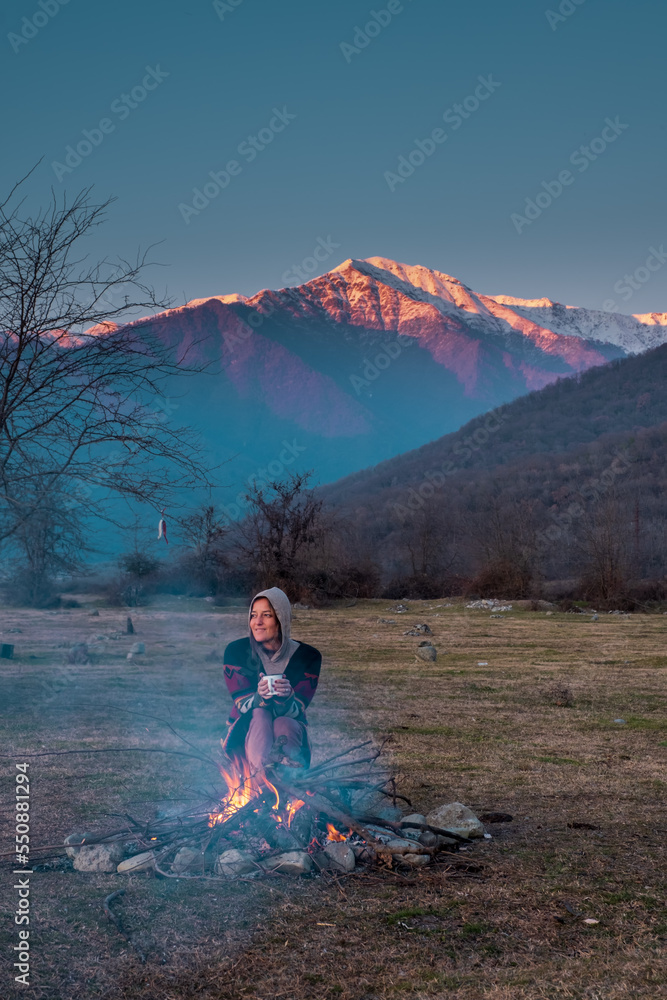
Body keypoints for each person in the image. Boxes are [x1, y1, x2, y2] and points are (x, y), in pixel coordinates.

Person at [221, 587, 321, 771]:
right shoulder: (237, 652)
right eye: (253, 615)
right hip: (246, 728)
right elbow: (242, 704)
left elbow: (298, 708)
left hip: (289, 726)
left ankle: (289, 781)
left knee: (284, 722)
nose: (257, 622)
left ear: (280, 619)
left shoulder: (308, 656)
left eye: (266, 615)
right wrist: (260, 697)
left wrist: (288, 696)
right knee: (260, 714)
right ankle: (260, 782)